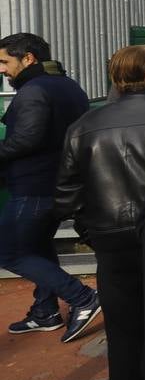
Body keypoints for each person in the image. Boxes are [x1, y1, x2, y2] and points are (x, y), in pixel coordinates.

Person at [54, 46, 145, 380]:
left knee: (124, 335)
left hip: (113, 245)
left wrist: (94, 233)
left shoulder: (85, 125)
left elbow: (67, 194)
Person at [0, 32, 101, 343]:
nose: (2, 70)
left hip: (35, 186)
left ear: (28, 58)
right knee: (38, 247)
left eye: (5, 62)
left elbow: (26, 139)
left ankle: (82, 297)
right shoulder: (69, 87)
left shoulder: (34, 91)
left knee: (9, 251)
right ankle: (45, 312)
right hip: (60, 185)